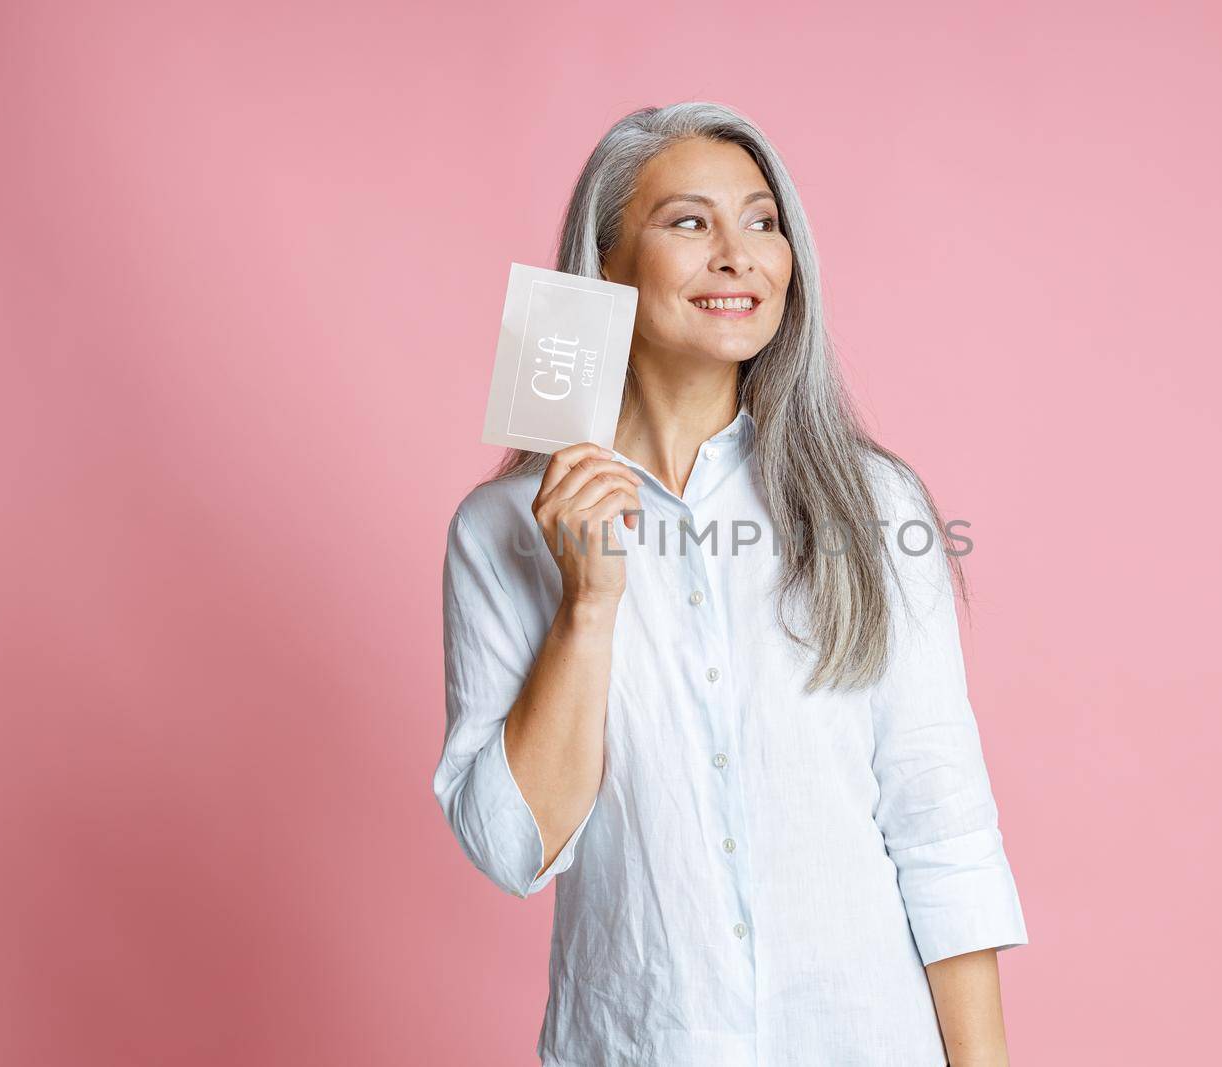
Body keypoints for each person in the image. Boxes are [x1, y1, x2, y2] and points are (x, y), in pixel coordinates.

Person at [433, 101, 1029, 1066]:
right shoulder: (500, 532)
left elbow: (941, 826)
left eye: (762, 221)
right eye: (688, 222)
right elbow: (513, 849)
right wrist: (586, 607)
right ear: (607, 263)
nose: (738, 254)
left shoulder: (874, 504)